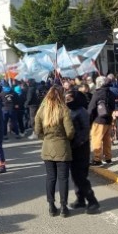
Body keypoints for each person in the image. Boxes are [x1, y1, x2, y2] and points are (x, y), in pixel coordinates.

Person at [35, 86, 75, 217]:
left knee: (50, 178)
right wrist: (66, 138)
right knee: (63, 178)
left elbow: (37, 131)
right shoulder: (64, 110)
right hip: (62, 146)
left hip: (47, 147)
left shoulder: (41, 111)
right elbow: (70, 132)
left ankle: (51, 206)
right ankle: (64, 207)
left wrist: (46, 138)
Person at [65, 90, 100, 214]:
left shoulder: (82, 111)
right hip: (72, 148)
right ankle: (80, 199)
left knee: (81, 176)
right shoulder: (70, 110)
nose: (66, 101)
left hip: (81, 148)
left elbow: (85, 132)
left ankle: (92, 201)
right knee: (75, 175)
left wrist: (75, 143)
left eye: (69, 99)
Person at [87, 76, 116, 166]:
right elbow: (112, 106)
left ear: (98, 83)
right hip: (108, 119)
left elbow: (91, 108)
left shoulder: (97, 93)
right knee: (107, 140)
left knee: (96, 139)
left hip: (98, 120)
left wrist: (88, 120)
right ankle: (108, 158)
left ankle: (97, 159)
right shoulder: (110, 93)